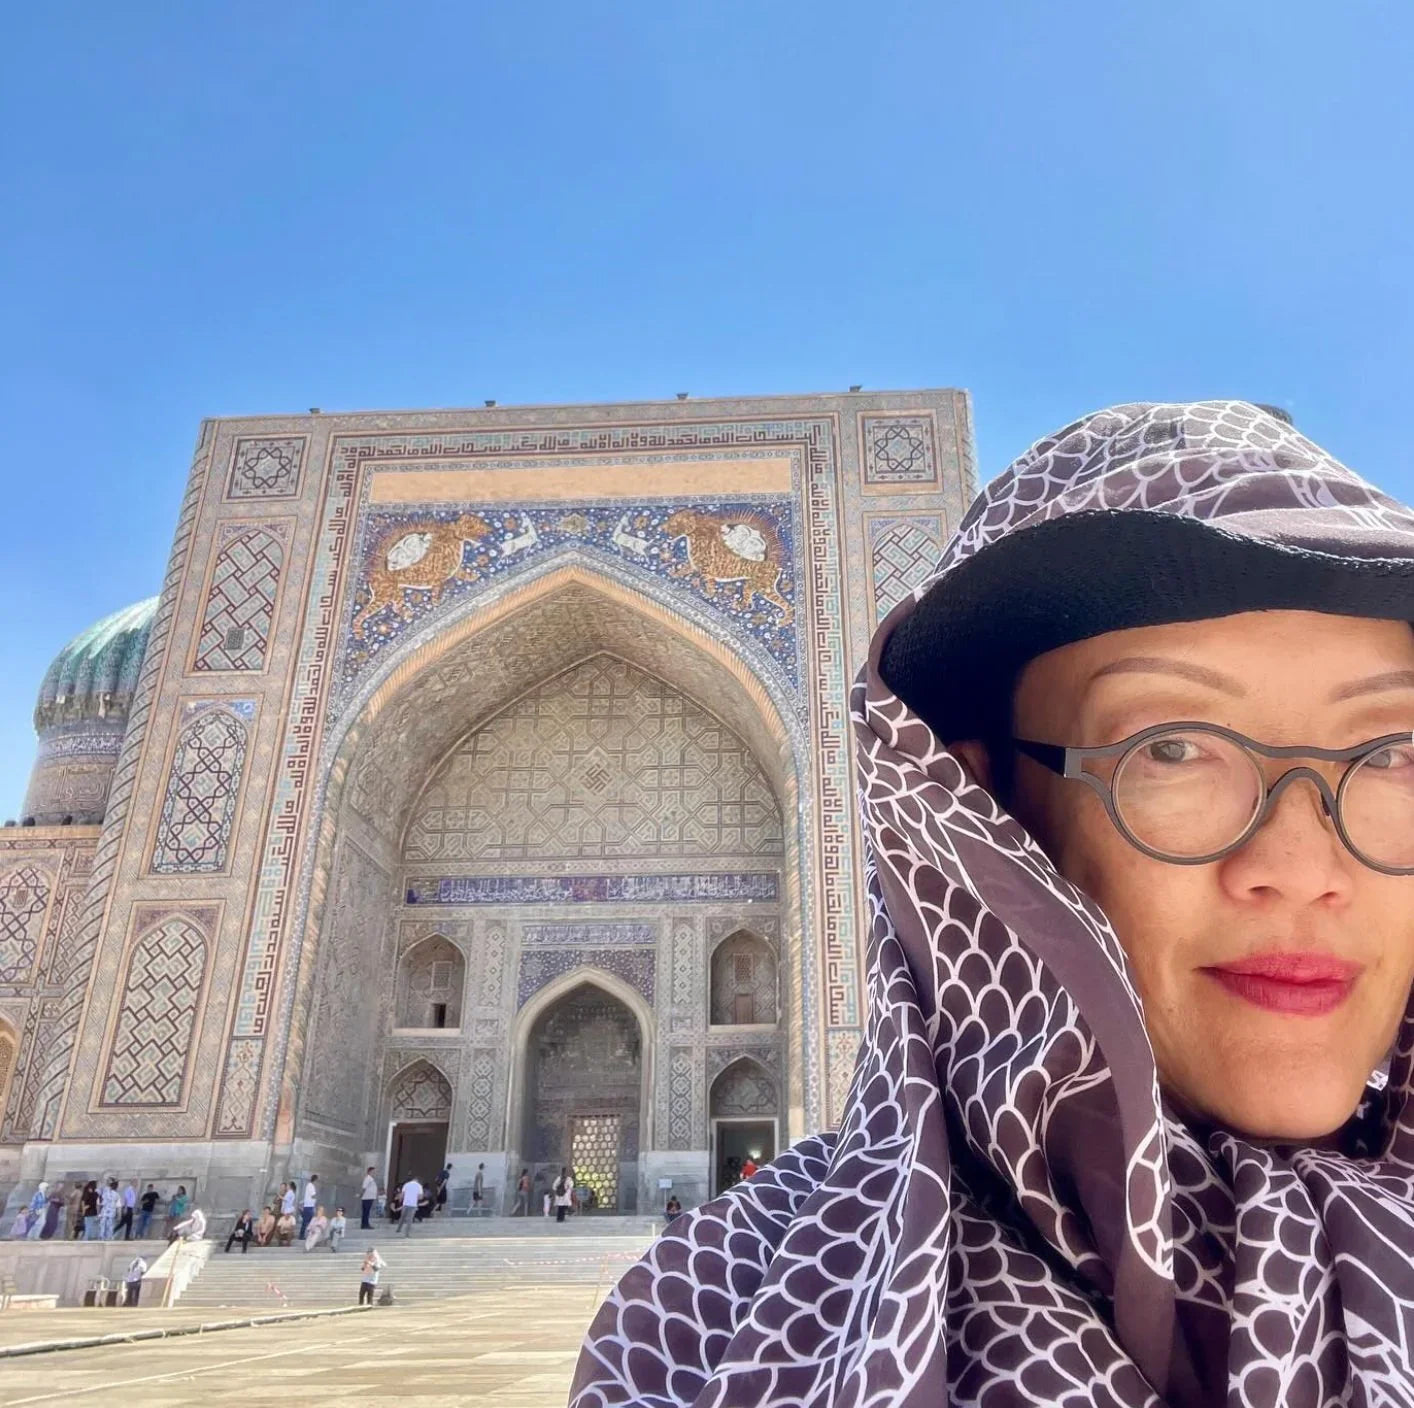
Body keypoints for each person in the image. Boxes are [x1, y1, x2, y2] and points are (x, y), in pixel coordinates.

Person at [571, 401, 1414, 1405]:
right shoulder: (724, 1325)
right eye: (1173, 747)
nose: (1302, 862)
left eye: (1393, 751)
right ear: (983, 823)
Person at [300, 1175, 318, 1240]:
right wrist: (316, 1199)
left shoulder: (309, 1185)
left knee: (309, 1221)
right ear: (315, 1180)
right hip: (308, 1206)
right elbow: (313, 1195)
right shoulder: (310, 1186)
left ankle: (307, 1235)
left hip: (309, 1206)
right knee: (307, 1222)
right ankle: (302, 1235)